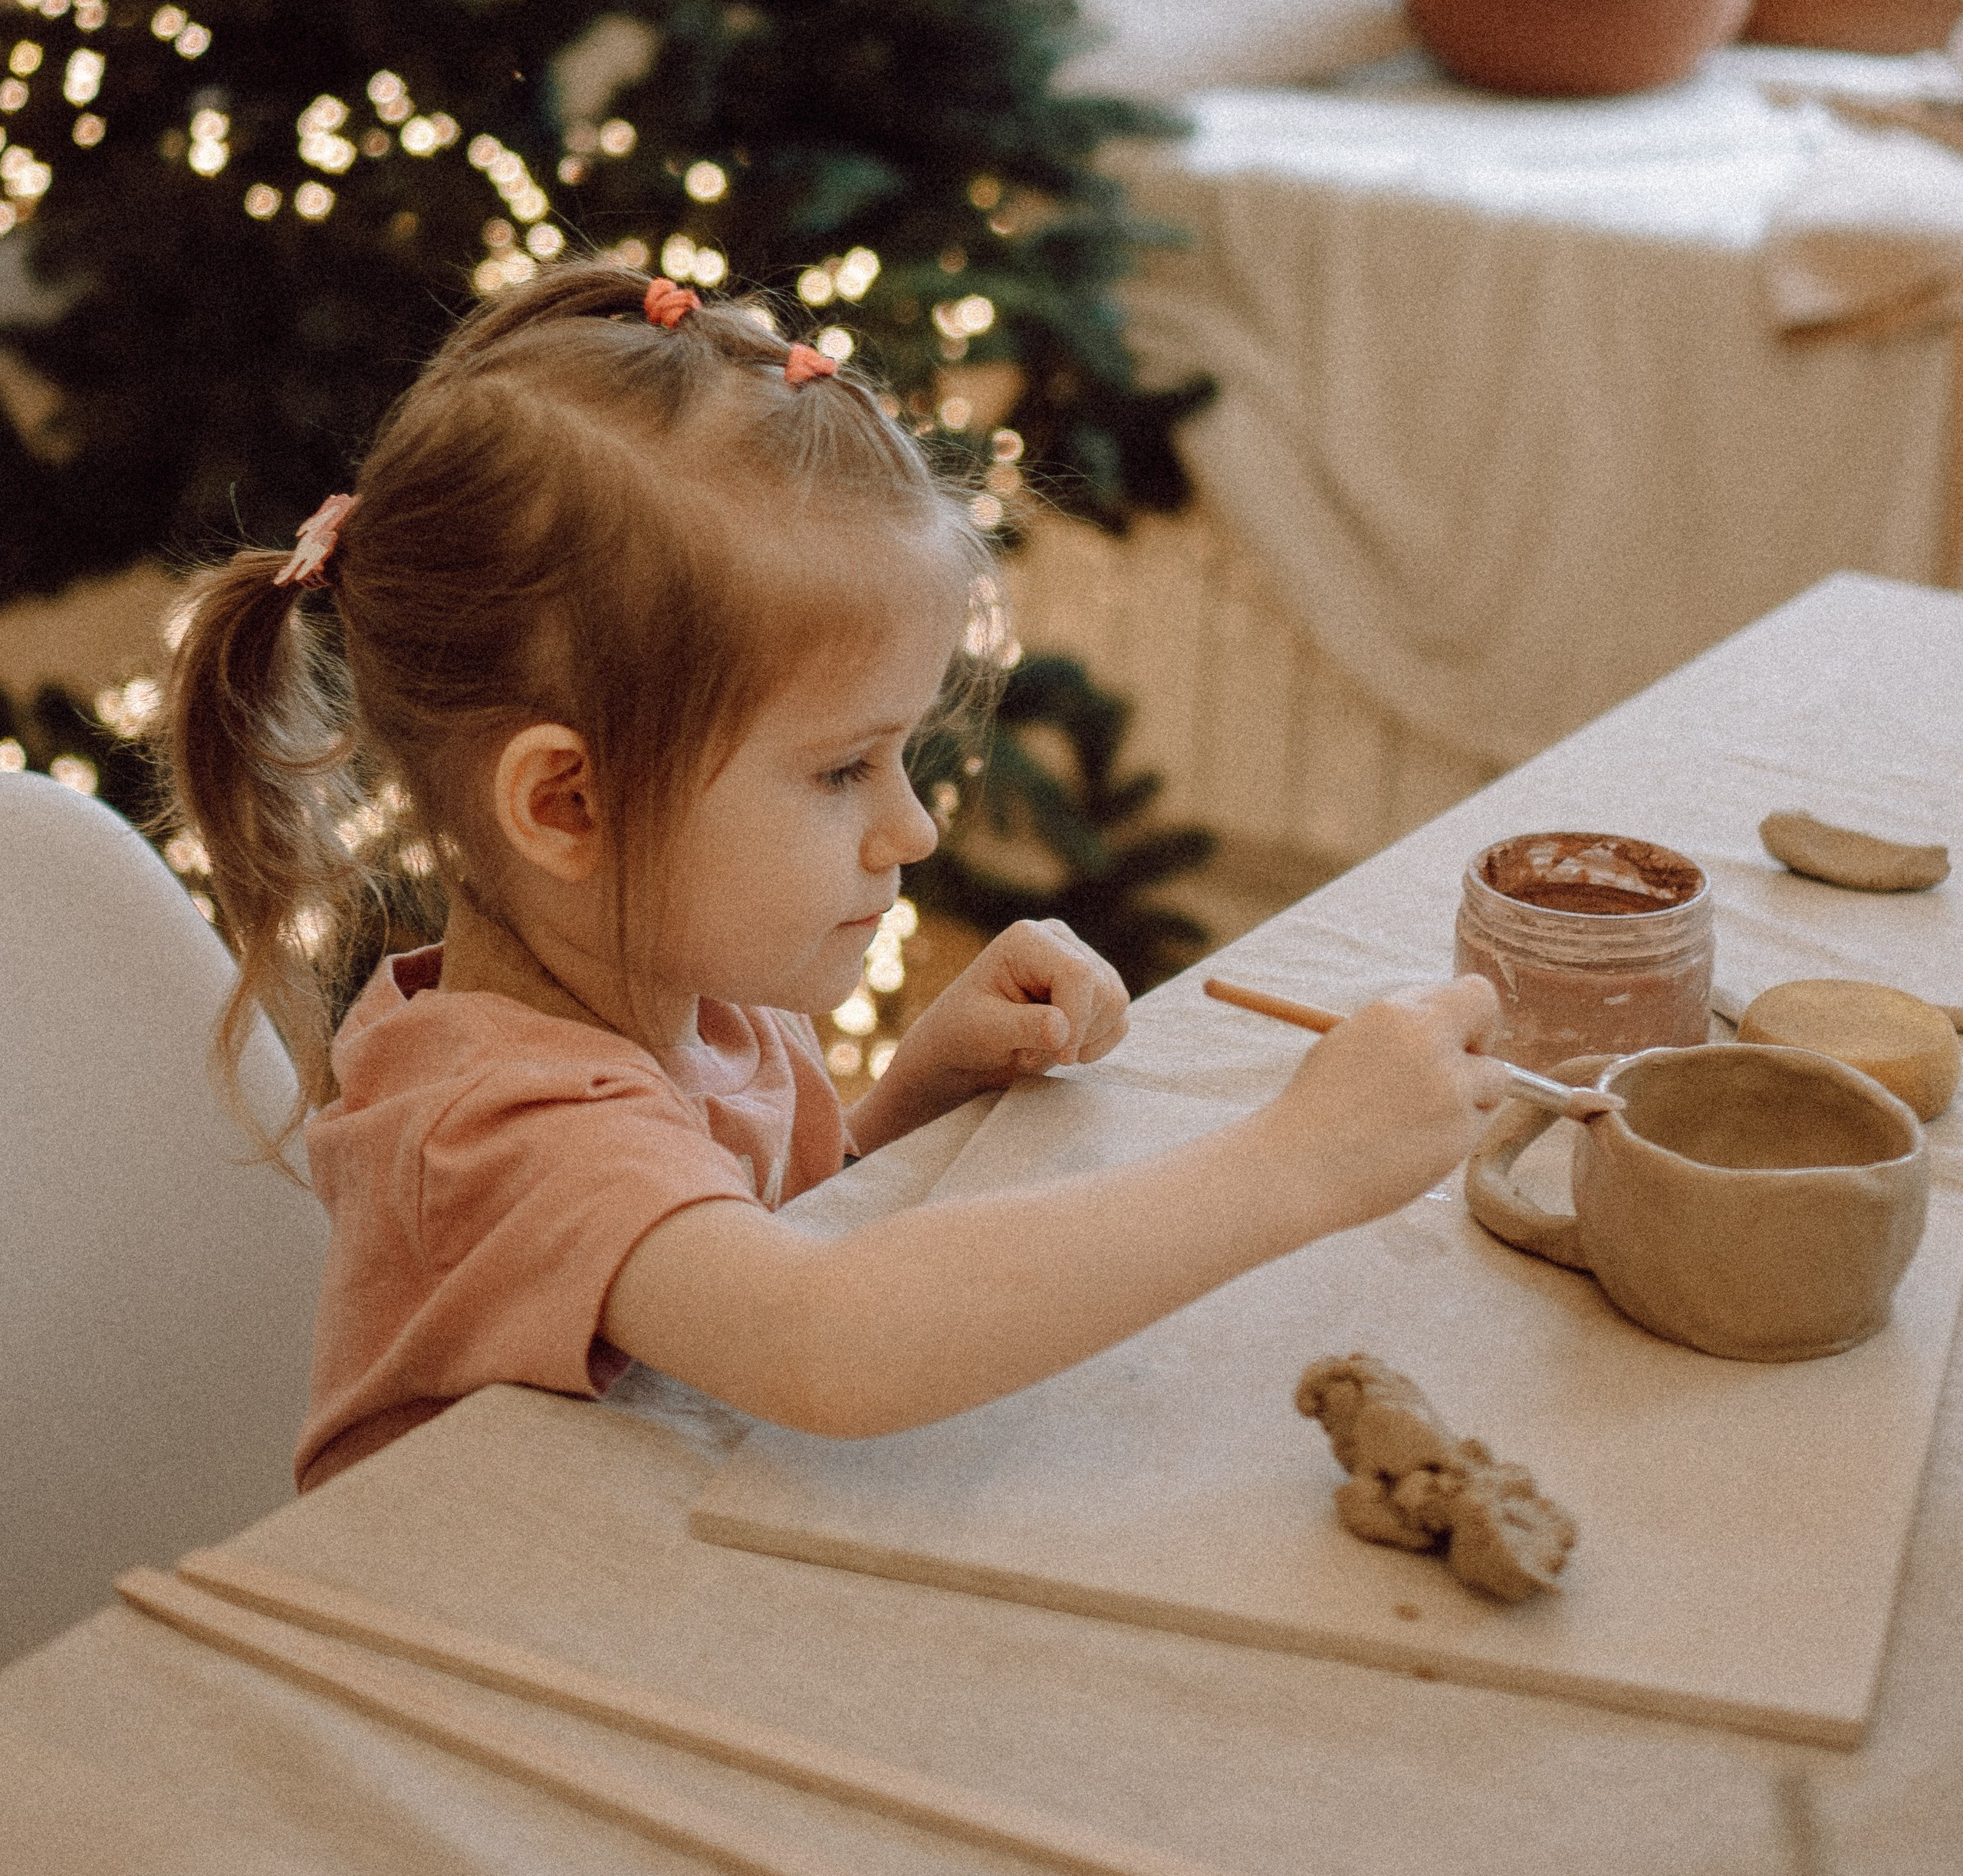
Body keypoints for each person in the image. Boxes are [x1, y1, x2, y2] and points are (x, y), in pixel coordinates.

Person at [166, 265, 1505, 1489]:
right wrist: (1300, 1163)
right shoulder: (495, 1127)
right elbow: (826, 1341)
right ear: (570, 805)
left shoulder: (695, 1000)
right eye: (841, 770)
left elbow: (726, 1257)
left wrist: (912, 1096)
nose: (911, 828)